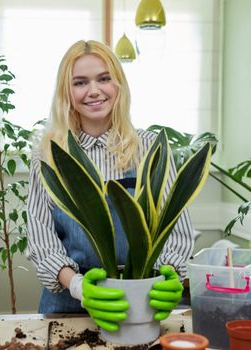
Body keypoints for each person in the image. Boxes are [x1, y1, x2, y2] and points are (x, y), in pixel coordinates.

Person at [26, 40, 195, 331]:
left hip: (141, 296)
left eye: (104, 79)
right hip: (69, 301)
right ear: (66, 92)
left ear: (119, 85)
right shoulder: (49, 153)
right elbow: (41, 239)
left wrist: (170, 276)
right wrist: (79, 287)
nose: (94, 91)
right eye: (80, 82)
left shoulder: (148, 147)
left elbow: (177, 231)